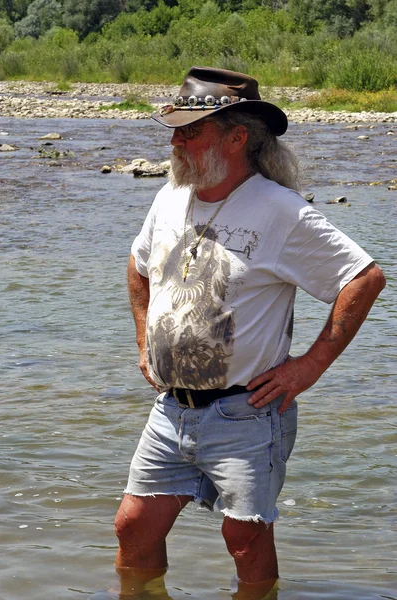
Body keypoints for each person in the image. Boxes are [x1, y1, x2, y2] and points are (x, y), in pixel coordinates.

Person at [112, 66, 386, 598]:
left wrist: (309, 366)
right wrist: (145, 336)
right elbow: (138, 264)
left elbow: (363, 278)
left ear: (238, 137)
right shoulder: (171, 194)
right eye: (173, 128)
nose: (174, 140)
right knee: (132, 528)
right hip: (171, 409)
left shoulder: (281, 210)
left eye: (189, 130)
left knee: (245, 540)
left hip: (247, 411)